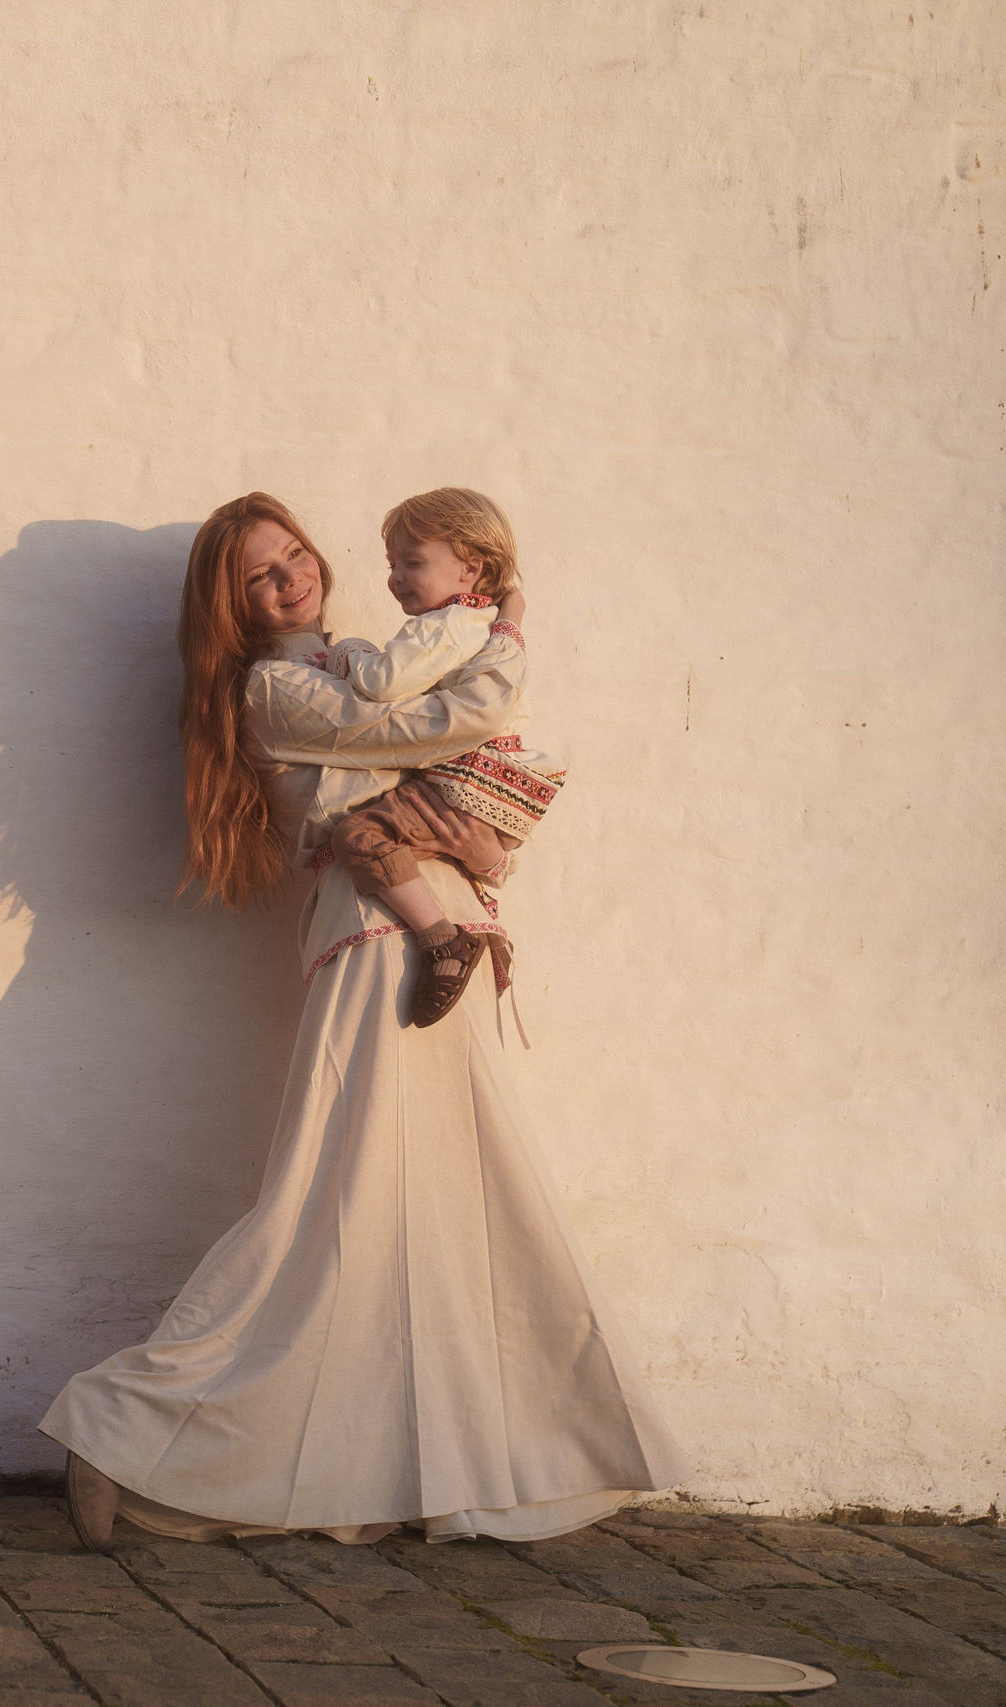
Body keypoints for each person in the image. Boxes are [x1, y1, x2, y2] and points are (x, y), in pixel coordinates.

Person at [39, 491, 682, 1546]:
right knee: (323, 1210)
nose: (291, 574)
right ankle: (120, 1426)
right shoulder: (279, 684)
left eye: (293, 553)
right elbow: (450, 729)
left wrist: (482, 845)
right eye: (259, 573)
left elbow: (469, 804)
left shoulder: (361, 656)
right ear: (233, 607)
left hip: (448, 937)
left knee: (423, 1214)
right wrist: (503, 636)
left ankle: (401, 1466)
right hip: (381, 947)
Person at [314, 488, 567, 1026]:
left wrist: (349, 650)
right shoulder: (489, 626)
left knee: (359, 837)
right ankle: (478, 934)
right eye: (392, 564)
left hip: (468, 780)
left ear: (469, 569)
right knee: (439, 848)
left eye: (412, 562)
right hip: (507, 787)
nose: (396, 576)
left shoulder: (445, 625)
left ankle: (443, 942)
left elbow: (383, 683)